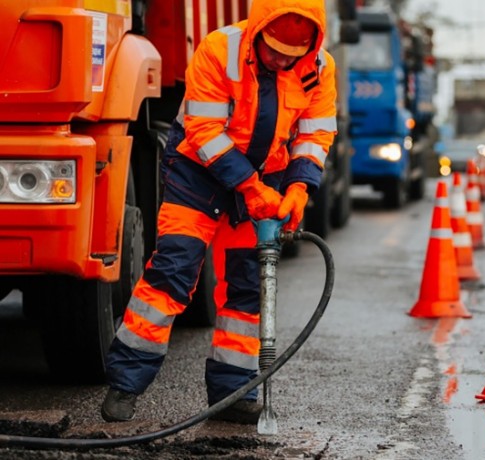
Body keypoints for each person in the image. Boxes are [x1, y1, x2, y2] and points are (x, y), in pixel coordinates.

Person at [100, 0, 337, 424]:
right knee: (172, 273)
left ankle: (233, 394)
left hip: (267, 181)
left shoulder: (319, 66)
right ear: (259, 30)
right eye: (275, 49)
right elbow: (203, 131)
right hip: (199, 176)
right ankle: (125, 384)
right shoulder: (218, 49)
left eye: (292, 53)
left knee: (247, 288)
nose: (283, 59)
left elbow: (314, 132)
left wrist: (300, 187)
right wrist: (250, 188)